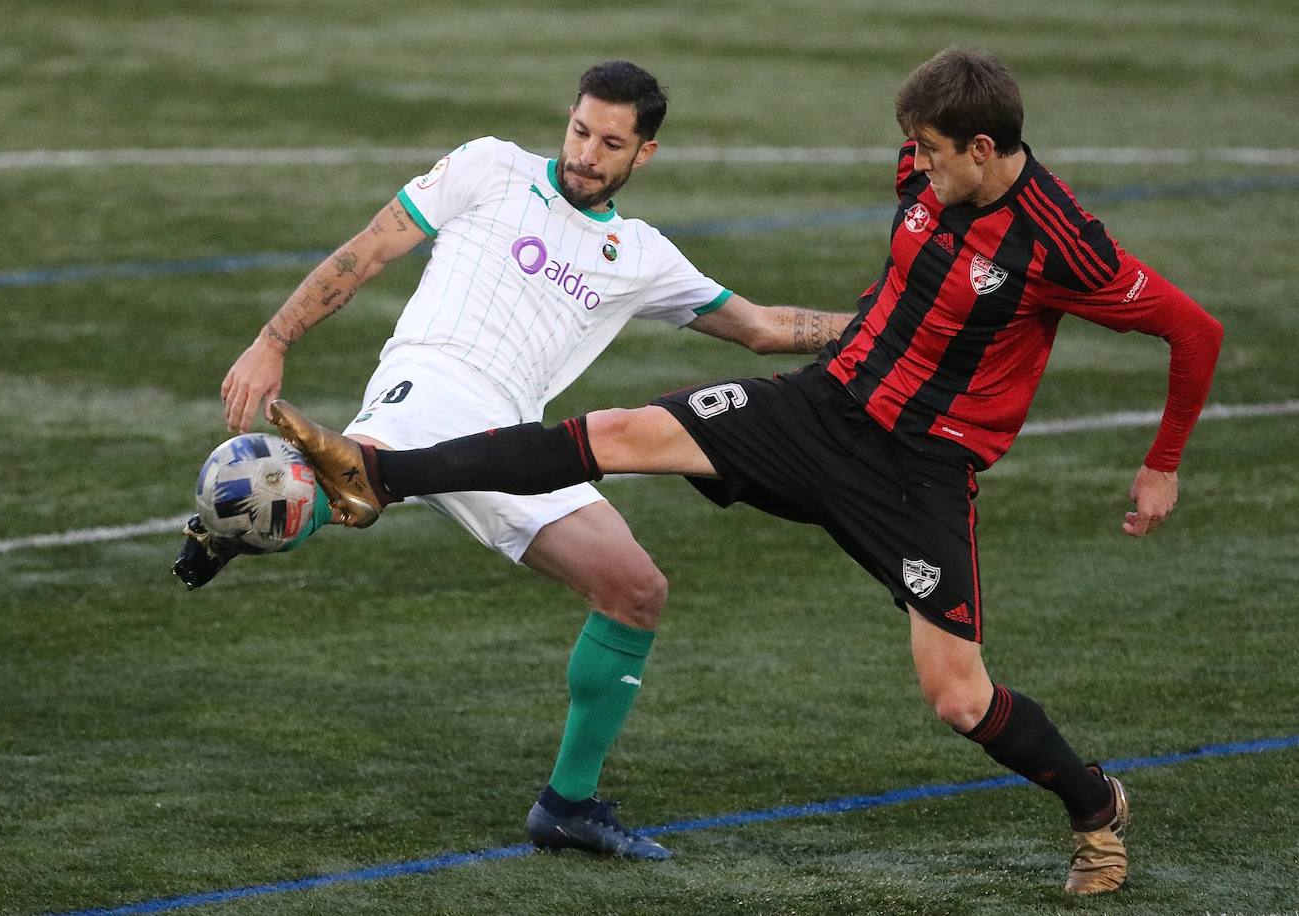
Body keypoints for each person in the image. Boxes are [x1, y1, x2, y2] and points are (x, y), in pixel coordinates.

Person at [268, 48, 1225, 893]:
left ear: (981, 148)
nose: (917, 167)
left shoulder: (1063, 244)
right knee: (619, 431)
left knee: (957, 695)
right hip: (821, 407)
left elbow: (1195, 331)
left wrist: (1163, 463)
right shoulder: (924, 170)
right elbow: (864, 296)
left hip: (918, 471)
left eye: (933, 151)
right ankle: (380, 477)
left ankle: (1097, 808)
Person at [190, 60, 851, 860]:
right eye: (579, 131)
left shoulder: (641, 255)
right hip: (428, 382)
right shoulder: (489, 165)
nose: (586, 154)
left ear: (644, 155)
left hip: (518, 442)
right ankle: (263, 506)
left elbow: (761, 327)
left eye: (611, 143)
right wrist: (272, 340)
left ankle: (566, 805)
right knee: (373, 475)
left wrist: (882, 326)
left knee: (633, 589)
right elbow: (368, 251)